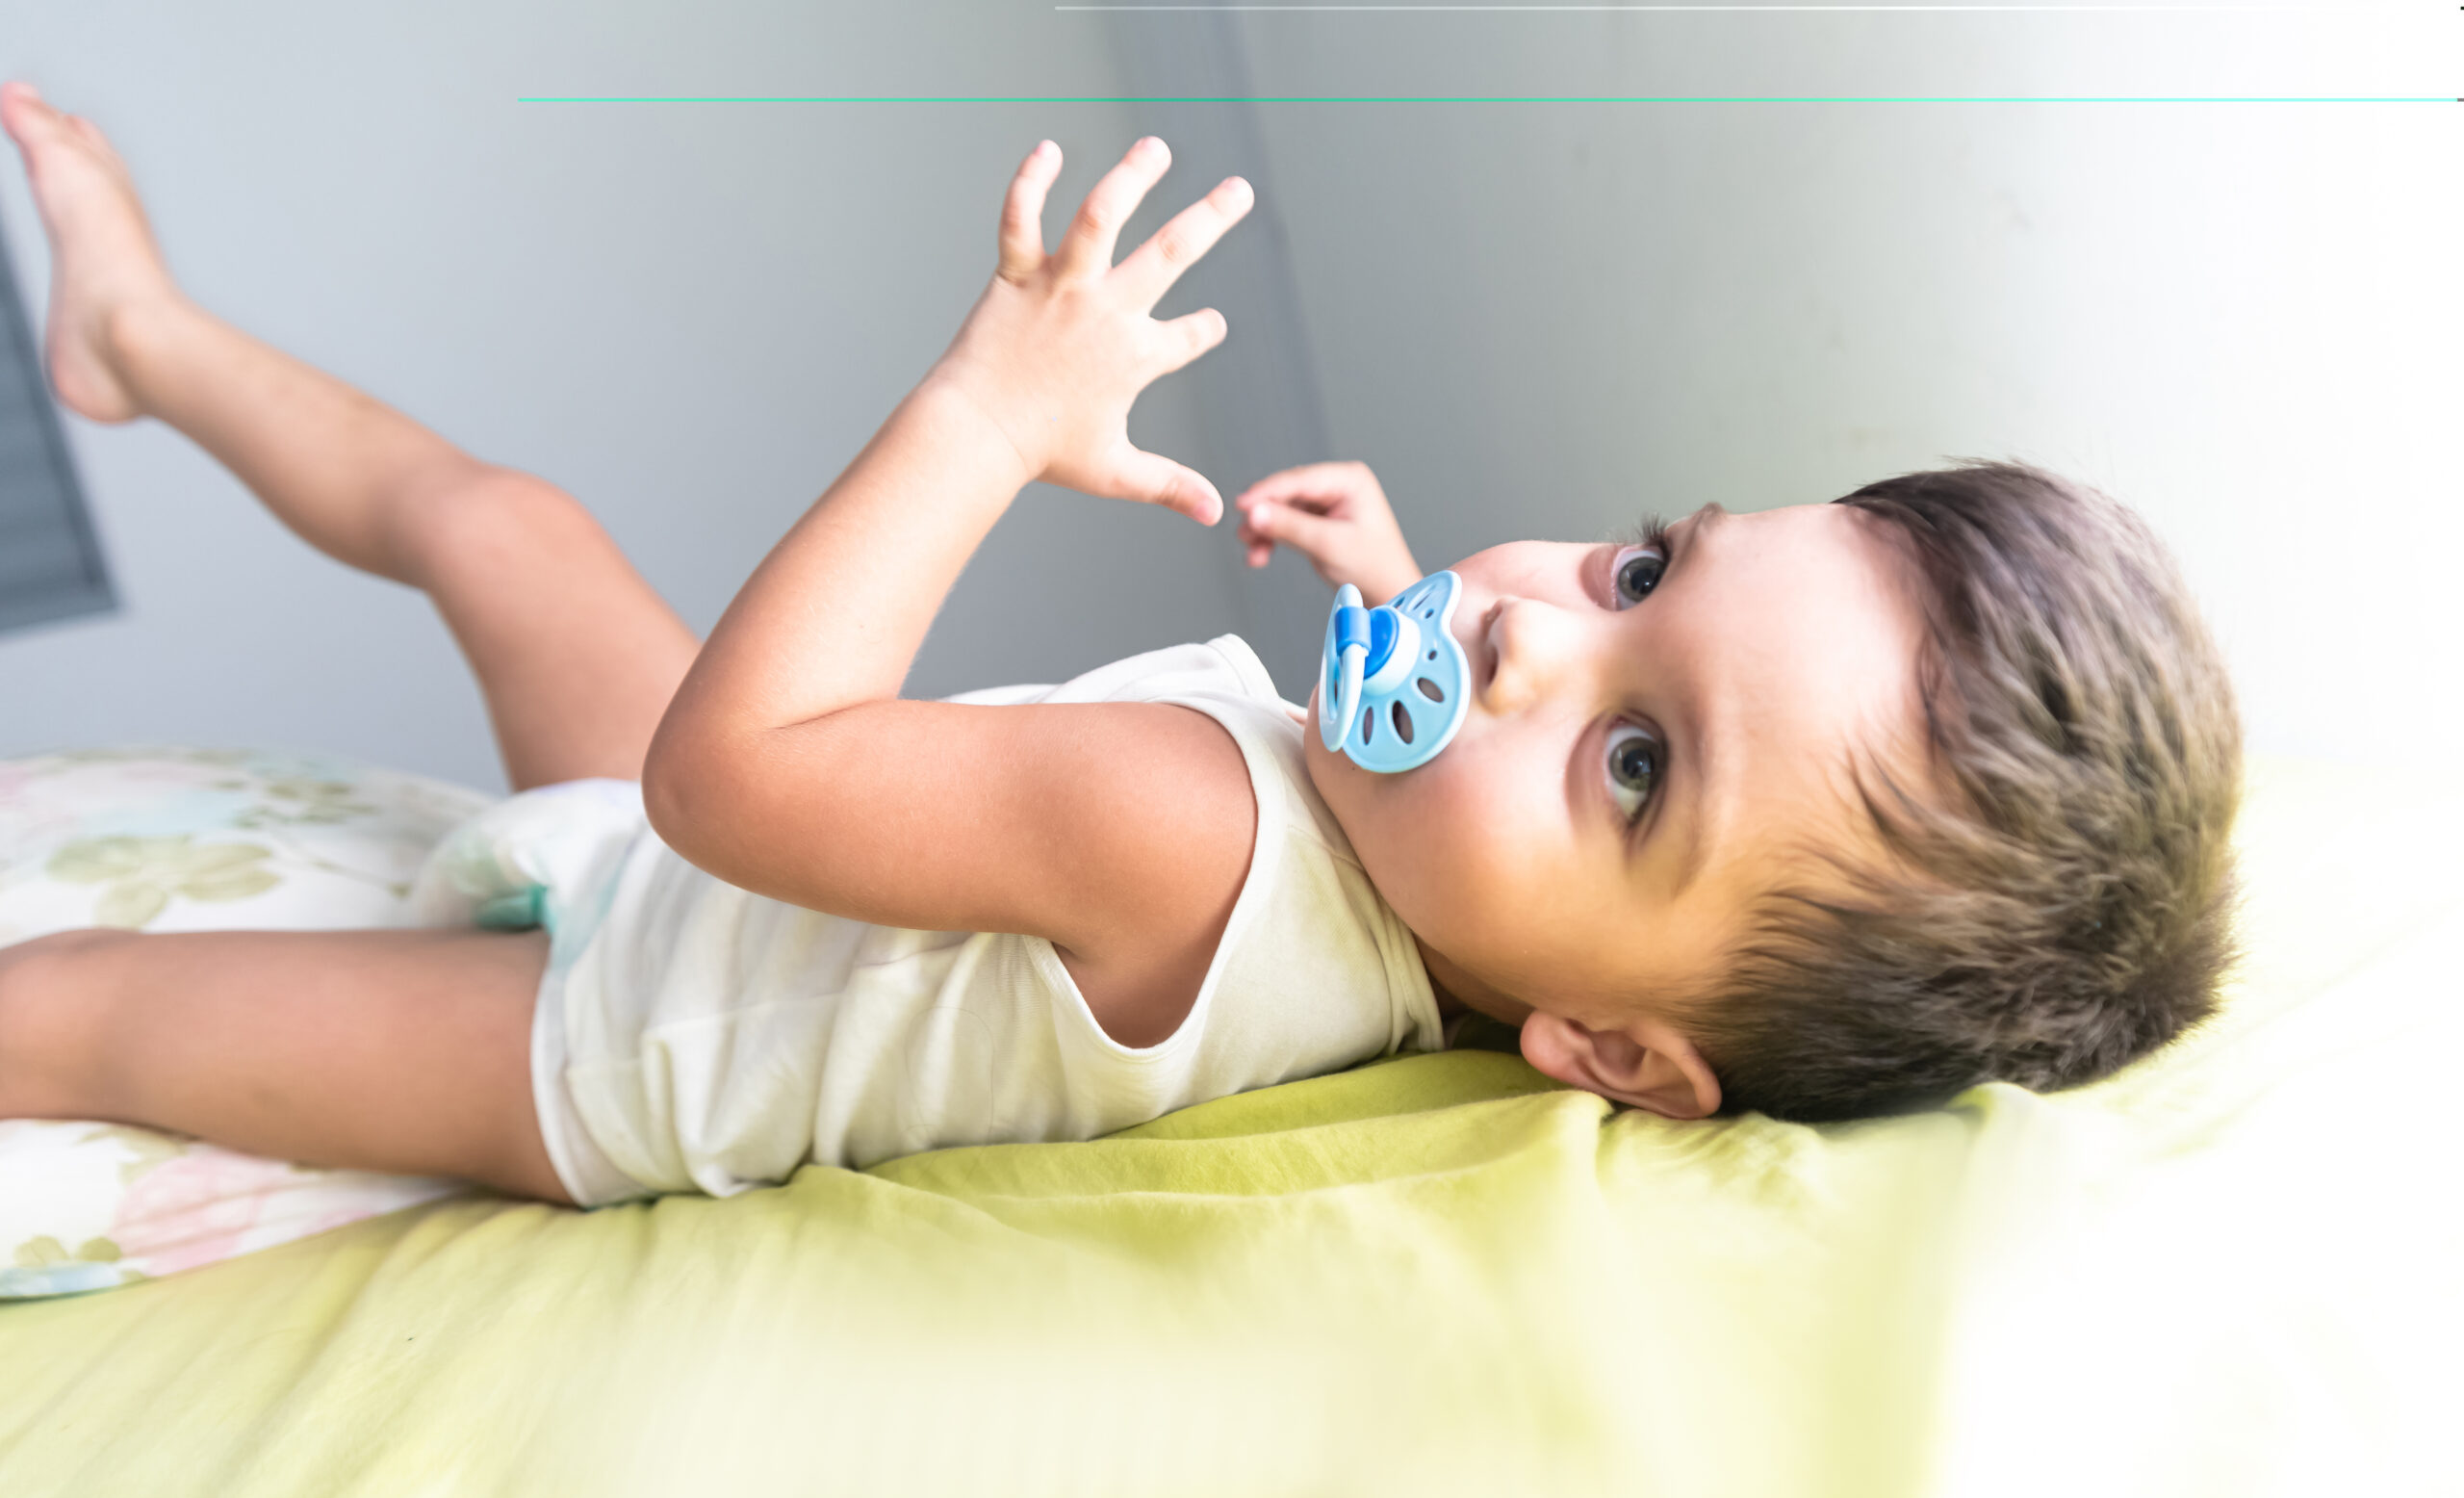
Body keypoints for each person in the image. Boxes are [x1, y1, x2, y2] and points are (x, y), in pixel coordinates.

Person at [0, 84, 2241, 1209]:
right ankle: (140, 338)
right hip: (683, 898)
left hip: (613, 1028)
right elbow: (1450, 756)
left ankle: (150, 341)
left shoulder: (1178, 833)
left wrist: (982, 415)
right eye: (1645, 568)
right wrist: (1389, 598)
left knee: (90, 1016)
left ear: (1619, 1057)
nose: (1530, 628)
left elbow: (738, 769)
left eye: (1636, 765)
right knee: (508, 525)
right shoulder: (1452, 868)